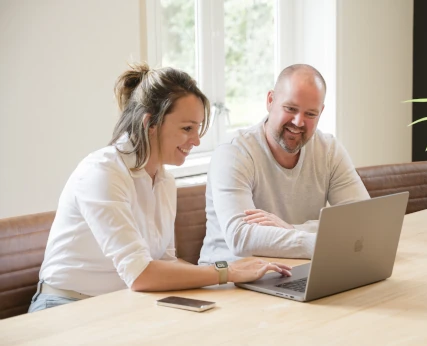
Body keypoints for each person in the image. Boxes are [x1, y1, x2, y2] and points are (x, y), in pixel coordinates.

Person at [29, 63, 291, 313]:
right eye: (187, 128)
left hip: (123, 305)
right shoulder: (102, 172)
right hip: (64, 306)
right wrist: (226, 271)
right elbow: (140, 274)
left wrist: (235, 272)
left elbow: (164, 262)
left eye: (198, 129)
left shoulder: (164, 181)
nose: (197, 140)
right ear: (149, 124)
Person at [199, 64, 370, 265]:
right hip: (227, 281)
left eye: (310, 114)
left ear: (321, 112)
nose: (298, 122)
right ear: (270, 100)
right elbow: (242, 238)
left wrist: (292, 229)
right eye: (290, 109)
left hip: (295, 270)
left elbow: (362, 220)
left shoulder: (329, 150)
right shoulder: (234, 153)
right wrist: (325, 244)